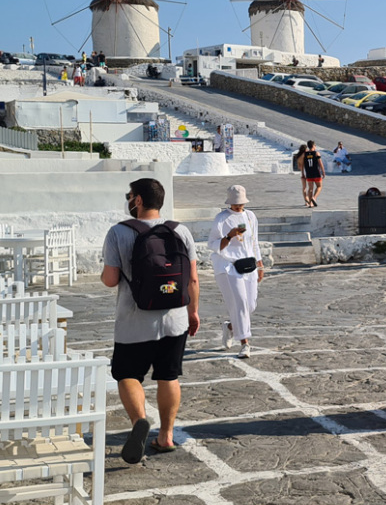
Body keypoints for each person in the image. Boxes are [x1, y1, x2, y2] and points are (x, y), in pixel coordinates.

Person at [100, 178, 200, 462]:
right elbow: (192, 278)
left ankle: (139, 422)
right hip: (175, 318)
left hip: (134, 320)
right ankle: (166, 436)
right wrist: (193, 312)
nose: (129, 200)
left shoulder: (119, 232)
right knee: (169, 375)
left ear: (139, 200)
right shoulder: (180, 231)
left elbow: (110, 280)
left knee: (127, 374)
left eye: (130, 195)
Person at [208, 185, 263, 359]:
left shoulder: (250, 216)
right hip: (228, 267)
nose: (238, 206)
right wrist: (229, 236)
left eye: (241, 203)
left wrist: (260, 264)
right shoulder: (221, 219)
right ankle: (245, 343)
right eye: (235, 203)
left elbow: (254, 242)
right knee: (239, 303)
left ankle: (231, 327)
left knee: (250, 305)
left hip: (248, 265)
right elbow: (213, 245)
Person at [302, 140, 324, 207]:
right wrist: (323, 172)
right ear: (313, 146)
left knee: (310, 189)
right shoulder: (316, 153)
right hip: (316, 173)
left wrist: (303, 173)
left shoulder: (305, 154)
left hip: (309, 173)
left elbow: (302, 165)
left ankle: (310, 203)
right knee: (319, 186)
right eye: (315, 145)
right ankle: (314, 198)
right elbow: (320, 164)